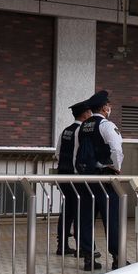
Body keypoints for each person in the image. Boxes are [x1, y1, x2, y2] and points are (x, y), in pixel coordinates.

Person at [74, 91, 125, 270]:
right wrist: (116, 168)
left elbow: (77, 152)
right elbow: (116, 150)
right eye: (108, 105)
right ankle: (118, 258)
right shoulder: (107, 125)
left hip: (86, 178)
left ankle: (89, 258)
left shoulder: (82, 126)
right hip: (105, 178)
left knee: (86, 218)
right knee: (112, 219)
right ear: (104, 108)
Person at [55, 95, 98, 255]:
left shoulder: (65, 130)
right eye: (89, 112)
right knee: (81, 211)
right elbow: (78, 155)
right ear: (85, 114)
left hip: (63, 175)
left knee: (66, 211)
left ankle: (62, 245)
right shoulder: (82, 130)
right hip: (76, 177)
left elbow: (58, 153)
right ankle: (83, 247)